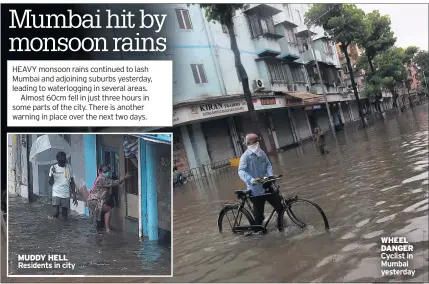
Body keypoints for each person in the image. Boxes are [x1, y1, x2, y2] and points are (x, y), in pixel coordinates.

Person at [238, 134, 283, 225]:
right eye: (253, 142)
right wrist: (251, 180)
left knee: (280, 208)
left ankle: (282, 227)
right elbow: (241, 171)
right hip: (255, 190)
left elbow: (268, 165)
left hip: (266, 185)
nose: (255, 143)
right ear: (247, 144)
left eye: (256, 141)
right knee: (259, 220)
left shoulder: (261, 152)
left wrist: (270, 176)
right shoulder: (245, 156)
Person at [87, 165, 131, 232]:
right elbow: (113, 183)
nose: (107, 173)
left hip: (92, 200)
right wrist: (125, 178)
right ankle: (108, 230)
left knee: (100, 216)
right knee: (108, 210)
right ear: (101, 172)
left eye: (108, 171)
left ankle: (100, 232)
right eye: (105, 171)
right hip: (96, 201)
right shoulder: (102, 178)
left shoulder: (99, 178)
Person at [48, 151, 77, 219]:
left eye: (64, 158)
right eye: (61, 158)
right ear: (57, 159)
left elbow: (71, 181)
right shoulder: (53, 168)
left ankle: (64, 228)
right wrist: (52, 174)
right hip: (56, 193)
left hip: (66, 193)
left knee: (65, 216)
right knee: (55, 214)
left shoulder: (69, 167)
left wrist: (74, 194)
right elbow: (50, 183)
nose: (63, 160)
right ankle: (56, 228)